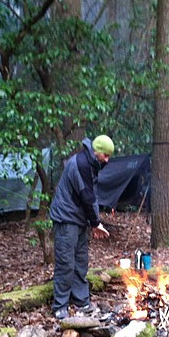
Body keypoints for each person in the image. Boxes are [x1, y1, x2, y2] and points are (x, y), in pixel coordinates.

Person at [49, 135, 114, 319]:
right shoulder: (80, 164)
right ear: (96, 151)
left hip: (79, 220)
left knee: (80, 261)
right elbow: (87, 196)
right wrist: (96, 223)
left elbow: (90, 196)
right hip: (66, 219)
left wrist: (92, 222)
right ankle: (60, 306)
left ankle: (81, 301)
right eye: (105, 156)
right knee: (65, 263)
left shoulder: (92, 164)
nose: (107, 161)